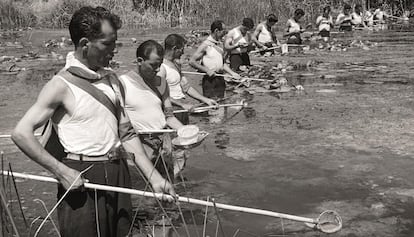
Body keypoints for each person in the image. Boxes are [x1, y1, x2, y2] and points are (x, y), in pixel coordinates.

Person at [11, 6, 175, 237]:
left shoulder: (113, 81)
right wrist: (61, 171)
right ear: (85, 43)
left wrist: (155, 179)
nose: (114, 51)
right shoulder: (60, 85)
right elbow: (21, 133)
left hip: (118, 171)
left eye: (115, 43)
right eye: (108, 44)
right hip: (80, 176)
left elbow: (127, 135)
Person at [119, 40, 188, 179]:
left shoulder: (162, 83)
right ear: (139, 61)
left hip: (163, 147)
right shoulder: (122, 83)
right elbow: (118, 123)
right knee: (143, 192)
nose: (157, 69)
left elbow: (169, 117)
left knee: (168, 187)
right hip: (139, 147)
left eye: (160, 65)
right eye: (153, 65)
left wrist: (185, 132)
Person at [159, 34, 218, 125]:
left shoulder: (176, 64)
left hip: (181, 107)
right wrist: (182, 105)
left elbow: (186, 87)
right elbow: (160, 95)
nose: (183, 53)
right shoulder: (161, 68)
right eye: (181, 49)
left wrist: (206, 100)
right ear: (174, 48)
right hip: (171, 110)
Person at [189, 20, 241, 99]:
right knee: (212, 105)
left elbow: (222, 63)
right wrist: (206, 70)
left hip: (220, 79)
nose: (225, 33)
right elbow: (192, 61)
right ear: (217, 31)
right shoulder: (205, 45)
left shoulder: (220, 44)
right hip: (209, 81)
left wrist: (232, 73)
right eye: (223, 31)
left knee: (221, 103)